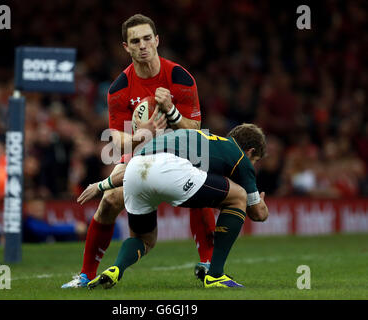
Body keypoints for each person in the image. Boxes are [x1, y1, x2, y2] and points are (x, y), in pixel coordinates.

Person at [62, 14, 216, 288]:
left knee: (199, 183)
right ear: (126, 47)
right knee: (109, 201)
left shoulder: (179, 77)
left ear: (157, 40)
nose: (143, 45)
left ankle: (208, 264)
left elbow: (195, 128)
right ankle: (85, 275)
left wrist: (172, 112)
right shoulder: (119, 89)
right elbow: (115, 140)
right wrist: (141, 134)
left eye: (147, 38)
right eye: (135, 41)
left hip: (180, 147)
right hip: (141, 152)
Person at [80, 124, 269, 289]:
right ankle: (216, 275)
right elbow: (258, 213)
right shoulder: (239, 157)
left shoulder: (194, 138)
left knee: (144, 239)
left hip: (134, 170)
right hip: (171, 170)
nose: (253, 165)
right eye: (255, 160)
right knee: (238, 196)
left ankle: (116, 269)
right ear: (250, 151)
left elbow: (137, 166)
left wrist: (101, 185)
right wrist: (261, 202)